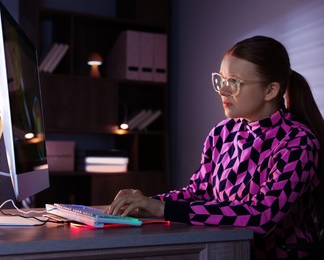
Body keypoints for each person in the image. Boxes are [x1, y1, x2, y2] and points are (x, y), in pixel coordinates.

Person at [107, 35, 324, 259]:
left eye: (234, 82)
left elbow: (262, 216)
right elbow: (197, 193)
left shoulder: (298, 143)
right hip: (223, 251)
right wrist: (145, 203)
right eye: (221, 79)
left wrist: (161, 209)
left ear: (270, 91)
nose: (222, 90)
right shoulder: (222, 133)